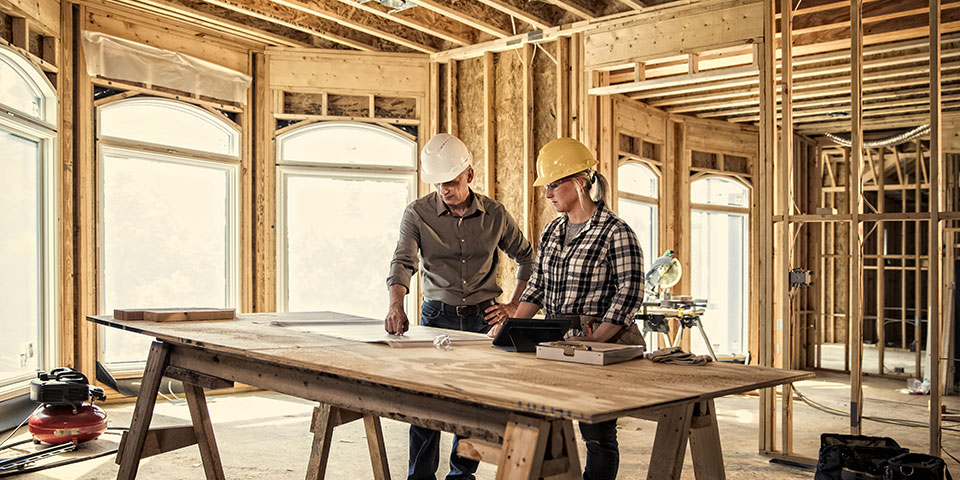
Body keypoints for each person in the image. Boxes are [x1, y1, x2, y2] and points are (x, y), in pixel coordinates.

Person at [385, 133, 534, 480]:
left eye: (450, 182)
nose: (444, 191)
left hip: (484, 319)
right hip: (436, 317)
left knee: (474, 406)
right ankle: (419, 477)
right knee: (426, 404)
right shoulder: (418, 214)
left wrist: (514, 306)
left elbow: (527, 257)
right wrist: (396, 305)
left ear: (469, 174)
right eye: (438, 184)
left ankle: (461, 475)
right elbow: (402, 261)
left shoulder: (495, 215)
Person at [511, 137, 645, 480]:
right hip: (556, 343)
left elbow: (630, 292)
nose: (548, 194)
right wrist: (510, 330)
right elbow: (536, 286)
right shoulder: (553, 231)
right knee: (545, 426)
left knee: (597, 436)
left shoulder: (615, 232)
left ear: (580, 182)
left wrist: (597, 342)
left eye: (554, 185)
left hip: (599, 345)